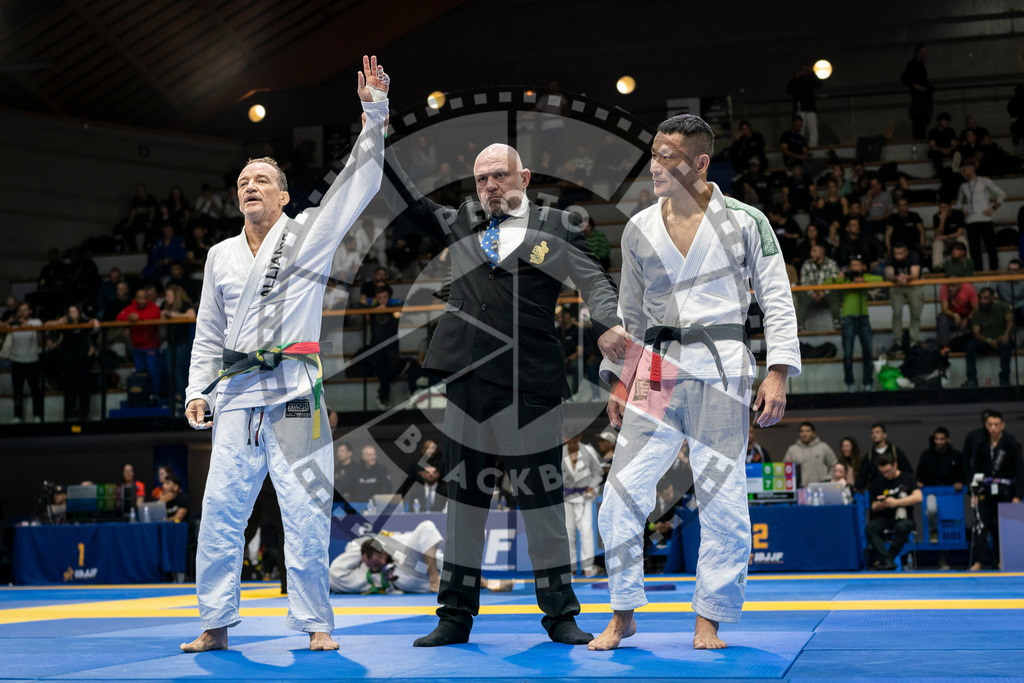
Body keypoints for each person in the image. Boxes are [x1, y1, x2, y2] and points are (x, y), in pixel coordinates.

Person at [381, 114, 626, 649]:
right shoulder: (462, 222)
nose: (490, 185)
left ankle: (561, 616)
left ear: (525, 178)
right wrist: (375, 126)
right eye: (482, 178)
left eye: (500, 175)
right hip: (466, 381)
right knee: (464, 504)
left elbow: (594, 280)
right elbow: (404, 195)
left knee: (542, 503)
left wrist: (608, 323)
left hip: (530, 383)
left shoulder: (559, 227)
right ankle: (454, 618)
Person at [179, 55, 390, 653]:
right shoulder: (220, 256)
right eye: (243, 181)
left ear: (284, 195)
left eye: (262, 180)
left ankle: (316, 624)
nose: (250, 186)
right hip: (238, 394)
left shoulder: (307, 235)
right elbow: (208, 330)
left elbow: (358, 183)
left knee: (303, 506)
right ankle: (215, 623)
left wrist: (374, 114)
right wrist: (197, 389)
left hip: (296, 390)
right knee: (221, 510)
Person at [591, 114, 800, 651]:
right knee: (619, 496)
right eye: (654, 154)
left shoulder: (746, 220)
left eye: (668, 157)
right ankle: (623, 611)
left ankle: (709, 615)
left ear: (700, 163)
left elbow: (775, 295)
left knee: (722, 497)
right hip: (655, 369)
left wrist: (778, 371)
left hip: (721, 363)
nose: (655, 166)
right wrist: (619, 380)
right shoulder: (639, 228)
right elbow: (629, 315)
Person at [968, 411, 1023, 570]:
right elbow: (976, 470)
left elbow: (1019, 470)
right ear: (986, 426)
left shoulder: (1011, 444)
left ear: (1002, 425)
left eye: (996, 424)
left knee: (1005, 528)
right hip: (986, 490)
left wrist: (1018, 496)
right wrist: (974, 493)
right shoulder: (982, 445)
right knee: (981, 526)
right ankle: (978, 562)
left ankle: (1002, 561)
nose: (993, 428)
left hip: (1006, 491)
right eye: (990, 425)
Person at [330, 521, 443, 594]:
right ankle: (436, 580)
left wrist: (379, 543)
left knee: (426, 527)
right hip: (404, 578)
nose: (374, 568)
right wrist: (363, 547)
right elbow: (335, 571)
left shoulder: (395, 545)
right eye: (371, 565)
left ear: (384, 552)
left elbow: (426, 535)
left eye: (377, 564)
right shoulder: (360, 572)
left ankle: (436, 578)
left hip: (421, 570)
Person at [826, 257, 882, 392]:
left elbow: (880, 280)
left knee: (868, 353)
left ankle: (868, 383)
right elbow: (826, 282)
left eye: (858, 265)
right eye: (853, 265)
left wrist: (863, 280)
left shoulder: (865, 277)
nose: (856, 268)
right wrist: (841, 277)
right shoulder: (845, 278)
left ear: (862, 267)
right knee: (848, 354)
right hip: (848, 318)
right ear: (850, 267)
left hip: (863, 317)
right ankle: (849, 384)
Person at [866, 452, 922, 570]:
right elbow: (873, 506)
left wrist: (895, 502)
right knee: (870, 528)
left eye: (888, 471)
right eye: (883, 472)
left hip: (904, 518)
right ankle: (887, 559)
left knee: (902, 527)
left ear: (895, 465)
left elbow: (918, 497)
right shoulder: (878, 482)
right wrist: (881, 505)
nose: (886, 475)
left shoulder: (907, 478)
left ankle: (887, 559)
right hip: (885, 517)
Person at [562, 434, 602, 577]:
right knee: (568, 532)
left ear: (579, 438)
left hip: (585, 497)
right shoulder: (560, 453)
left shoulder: (588, 451)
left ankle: (588, 567)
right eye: (569, 440)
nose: (572, 444)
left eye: (574, 440)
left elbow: (598, 472)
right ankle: (571, 567)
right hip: (566, 498)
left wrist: (592, 486)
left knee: (586, 532)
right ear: (565, 439)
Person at [917, 427, 964, 548]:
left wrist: (960, 482)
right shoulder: (926, 455)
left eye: (942, 439)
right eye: (936, 439)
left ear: (947, 439)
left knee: (951, 518)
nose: (939, 442)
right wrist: (919, 482)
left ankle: (948, 553)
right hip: (931, 491)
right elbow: (919, 474)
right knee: (931, 510)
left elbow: (963, 473)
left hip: (951, 494)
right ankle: (933, 531)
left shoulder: (956, 455)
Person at [955, 160, 1006, 272]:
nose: (962, 173)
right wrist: (964, 210)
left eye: (964, 170)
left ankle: (994, 270)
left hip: (985, 219)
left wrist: (993, 208)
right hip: (971, 220)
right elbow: (958, 204)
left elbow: (1001, 194)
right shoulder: (963, 186)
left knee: (991, 247)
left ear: (970, 169)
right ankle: (978, 272)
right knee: (974, 250)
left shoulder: (984, 181)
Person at [116, 288, 162, 398]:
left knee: (153, 371)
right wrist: (129, 317)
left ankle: (155, 395)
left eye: (144, 298)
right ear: (136, 299)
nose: (142, 301)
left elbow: (156, 315)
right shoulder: (131, 308)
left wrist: (138, 317)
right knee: (140, 373)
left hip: (151, 346)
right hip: (137, 347)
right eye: (139, 298)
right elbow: (118, 317)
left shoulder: (153, 307)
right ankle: (143, 396)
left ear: (147, 299)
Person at [964, 287, 1014, 387]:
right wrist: (989, 341)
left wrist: (1005, 335)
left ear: (992, 298)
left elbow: (1010, 321)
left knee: (1006, 345)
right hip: (986, 340)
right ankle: (972, 379)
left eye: (986, 298)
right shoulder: (977, 312)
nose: (983, 301)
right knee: (970, 346)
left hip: (1002, 338)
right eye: (981, 298)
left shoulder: (1003, 306)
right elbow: (976, 333)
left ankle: (1004, 379)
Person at [2, 302, 44, 423]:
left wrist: (26, 324)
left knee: (35, 390)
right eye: (20, 310)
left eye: (25, 310)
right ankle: (18, 416)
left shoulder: (36, 322)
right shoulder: (13, 324)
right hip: (17, 361)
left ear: (30, 311)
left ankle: (37, 415)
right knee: (17, 392)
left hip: (32, 361)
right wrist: (8, 323)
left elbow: (40, 328)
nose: (23, 312)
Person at [884, 244, 923, 353]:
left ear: (906, 252)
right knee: (896, 312)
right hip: (896, 284)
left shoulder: (914, 255)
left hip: (913, 284)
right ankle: (898, 342)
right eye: (896, 253)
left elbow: (915, 274)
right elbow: (889, 274)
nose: (898, 256)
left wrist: (906, 277)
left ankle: (913, 342)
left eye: (901, 253)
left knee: (915, 313)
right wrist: (898, 278)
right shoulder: (889, 257)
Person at [161, 285, 196, 408]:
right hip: (171, 342)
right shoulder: (166, 306)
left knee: (179, 370)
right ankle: (174, 396)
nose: (166, 298)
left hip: (182, 341)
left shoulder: (184, 304)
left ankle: (181, 397)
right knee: (170, 370)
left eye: (168, 296)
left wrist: (175, 315)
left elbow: (191, 315)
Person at [855, 423, 914, 492]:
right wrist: (856, 487)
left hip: (896, 486)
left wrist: (911, 483)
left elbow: (906, 469)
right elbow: (862, 475)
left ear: (884, 435)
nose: (874, 435)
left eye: (877, 432)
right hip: (878, 488)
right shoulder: (870, 455)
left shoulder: (894, 451)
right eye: (872, 433)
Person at [796, 243, 841, 331]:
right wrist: (812, 293)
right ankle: (800, 324)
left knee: (834, 297)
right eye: (811, 251)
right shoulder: (806, 264)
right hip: (811, 293)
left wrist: (824, 292)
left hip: (827, 292)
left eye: (814, 251)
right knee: (802, 300)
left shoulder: (831, 263)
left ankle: (837, 322)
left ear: (822, 252)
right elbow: (804, 282)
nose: (811, 253)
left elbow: (834, 280)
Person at [783, 422, 837, 487]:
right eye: (802, 431)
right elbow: (785, 469)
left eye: (808, 431)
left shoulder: (823, 447)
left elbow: (834, 465)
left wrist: (827, 479)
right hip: (800, 489)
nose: (804, 434)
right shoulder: (792, 450)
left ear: (813, 433)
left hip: (820, 488)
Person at [901, 44, 933, 141]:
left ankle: (921, 138)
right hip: (918, 97)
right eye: (924, 51)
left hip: (923, 96)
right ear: (918, 52)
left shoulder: (920, 63)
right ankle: (918, 139)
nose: (926, 53)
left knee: (922, 119)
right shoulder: (913, 64)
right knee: (918, 119)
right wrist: (916, 86)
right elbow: (904, 78)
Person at [787, 64, 821, 148]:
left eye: (806, 70)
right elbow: (789, 89)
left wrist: (812, 73)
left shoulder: (810, 80)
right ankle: (800, 145)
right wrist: (796, 77)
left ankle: (813, 145)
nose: (804, 72)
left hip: (810, 107)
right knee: (800, 128)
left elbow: (819, 84)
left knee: (812, 127)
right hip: (800, 107)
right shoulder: (796, 80)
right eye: (803, 70)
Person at [936, 281, 977, 348]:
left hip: (967, 316)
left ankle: (976, 344)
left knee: (977, 317)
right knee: (942, 318)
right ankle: (944, 347)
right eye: (949, 286)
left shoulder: (969, 287)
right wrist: (955, 315)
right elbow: (944, 309)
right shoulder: (944, 287)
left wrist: (967, 319)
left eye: (953, 286)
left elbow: (976, 308)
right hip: (952, 315)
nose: (950, 288)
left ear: (959, 285)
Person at [932, 200, 968, 271]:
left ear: (950, 207)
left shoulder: (958, 214)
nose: (942, 210)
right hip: (945, 243)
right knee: (937, 243)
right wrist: (942, 220)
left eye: (944, 207)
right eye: (940, 208)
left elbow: (961, 232)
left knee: (962, 238)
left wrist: (947, 236)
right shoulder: (936, 217)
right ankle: (937, 267)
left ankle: (966, 262)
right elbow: (937, 235)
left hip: (956, 240)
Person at [927, 113, 957, 178]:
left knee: (958, 152)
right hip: (938, 151)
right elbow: (932, 146)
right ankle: (940, 173)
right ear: (939, 121)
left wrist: (949, 149)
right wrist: (942, 150)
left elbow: (953, 144)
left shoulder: (951, 131)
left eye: (947, 121)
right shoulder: (933, 131)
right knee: (935, 154)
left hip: (948, 150)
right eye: (944, 121)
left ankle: (957, 171)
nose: (946, 123)